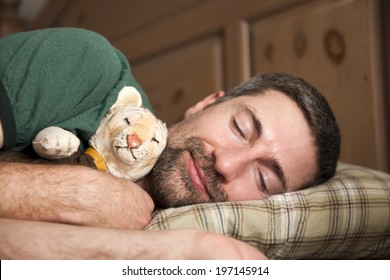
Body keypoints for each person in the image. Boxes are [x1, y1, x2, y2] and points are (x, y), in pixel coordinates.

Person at [0, 28, 340, 259]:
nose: (226, 164)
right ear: (205, 104)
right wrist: (67, 193)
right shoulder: (89, 67)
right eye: (239, 127)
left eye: (263, 179)